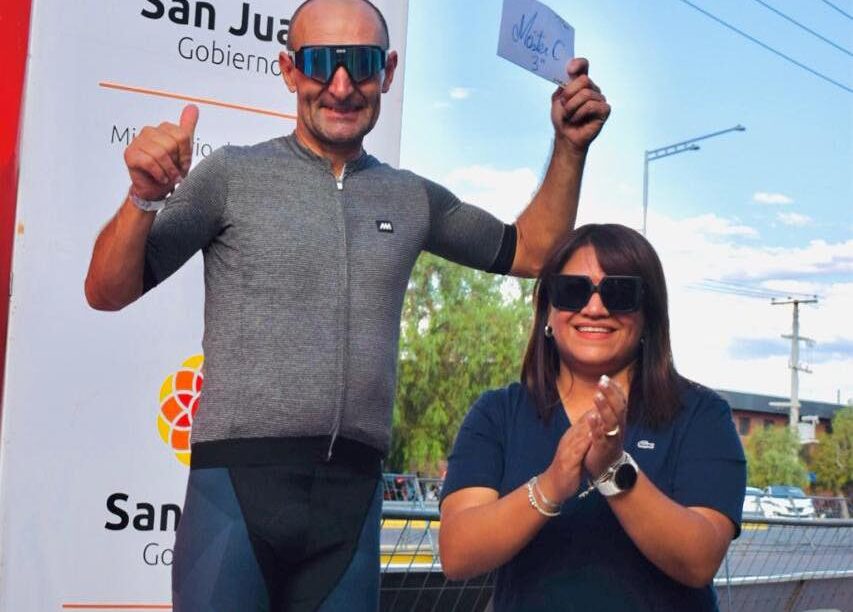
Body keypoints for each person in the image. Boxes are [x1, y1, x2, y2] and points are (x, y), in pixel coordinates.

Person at [84, 0, 610, 609]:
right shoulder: (231, 176)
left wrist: (570, 147)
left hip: (351, 506)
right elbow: (106, 291)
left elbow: (534, 250)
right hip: (234, 496)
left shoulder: (409, 197)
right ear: (289, 70)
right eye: (320, 62)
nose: (340, 85)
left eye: (359, 63)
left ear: (387, 72)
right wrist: (142, 200)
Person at [439, 224, 747, 611]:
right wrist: (551, 485)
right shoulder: (497, 414)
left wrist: (613, 471)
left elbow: (700, 559)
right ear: (548, 310)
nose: (595, 308)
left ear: (648, 314)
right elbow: (457, 554)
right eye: (573, 290)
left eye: (619, 293)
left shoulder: (702, 415)